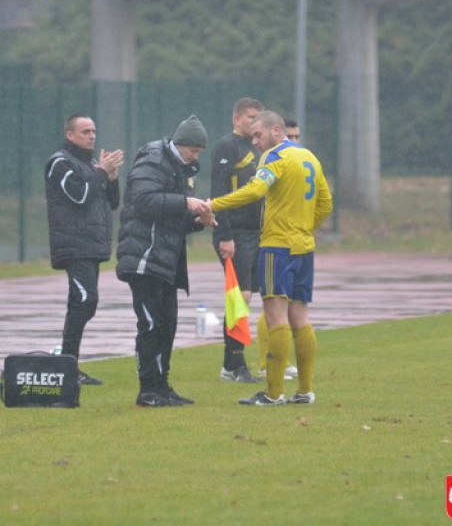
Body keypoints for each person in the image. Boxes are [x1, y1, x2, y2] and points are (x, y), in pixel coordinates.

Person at [209, 110, 333, 406]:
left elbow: (255, 190)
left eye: (258, 135)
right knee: (300, 318)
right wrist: (305, 228)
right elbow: (325, 203)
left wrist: (214, 204)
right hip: (304, 247)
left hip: (277, 247)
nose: (255, 142)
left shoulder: (274, 158)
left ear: (276, 131)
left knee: (276, 317)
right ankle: (305, 390)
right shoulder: (309, 157)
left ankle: (274, 393)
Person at [116, 115, 216, 407]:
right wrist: (186, 202)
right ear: (180, 144)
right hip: (144, 257)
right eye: (193, 151)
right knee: (150, 324)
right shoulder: (152, 159)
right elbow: (144, 201)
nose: (195, 157)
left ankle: (162, 387)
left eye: (199, 153)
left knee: (168, 324)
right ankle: (148, 390)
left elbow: (174, 219)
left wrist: (200, 219)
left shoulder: (183, 170)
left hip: (166, 259)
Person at [44, 115, 124, 386]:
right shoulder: (60, 163)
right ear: (70, 135)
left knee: (85, 302)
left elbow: (112, 203)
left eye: (94, 131)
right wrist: (101, 171)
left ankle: (68, 365)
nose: (91, 136)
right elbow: (79, 195)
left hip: (91, 245)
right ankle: (68, 365)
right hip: (73, 244)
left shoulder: (91, 165)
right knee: (84, 300)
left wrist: (111, 177)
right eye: (85, 131)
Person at [210, 97, 264, 384]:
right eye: (250, 117)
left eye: (259, 118)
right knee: (239, 296)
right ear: (237, 118)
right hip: (236, 233)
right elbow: (218, 192)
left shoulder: (257, 148)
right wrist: (225, 235)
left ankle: (234, 362)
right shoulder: (227, 146)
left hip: (257, 232)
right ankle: (233, 364)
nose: (255, 123)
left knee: (249, 295)